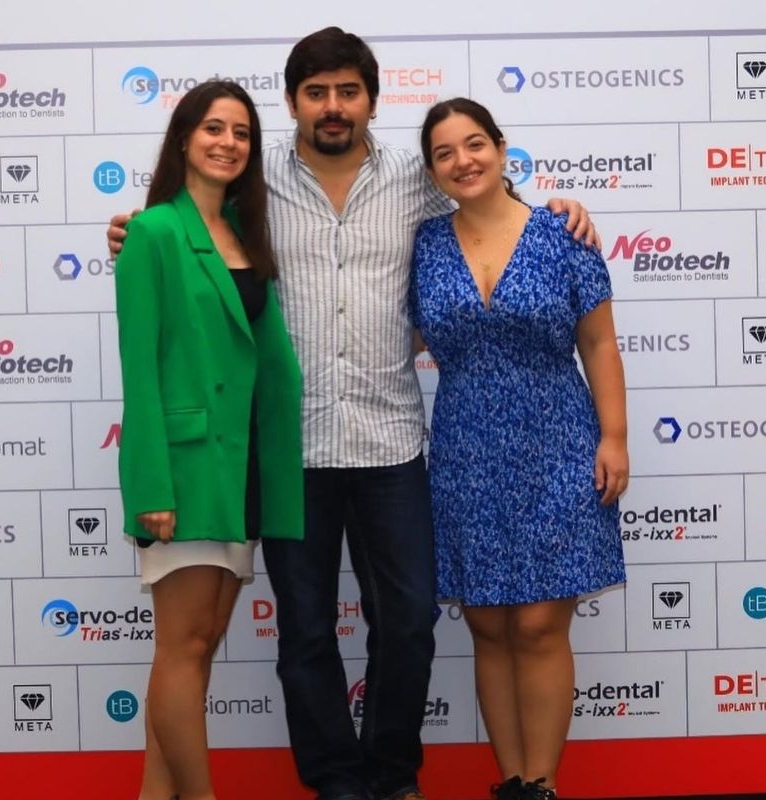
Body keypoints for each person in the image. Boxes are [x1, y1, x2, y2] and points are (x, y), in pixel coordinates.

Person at [109, 28, 598, 800]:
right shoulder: (254, 182)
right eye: (316, 93)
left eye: (347, 91)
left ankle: (393, 775)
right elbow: (185, 230)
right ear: (293, 101)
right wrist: (128, 230)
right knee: (305, 632)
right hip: (289, 449)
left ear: (371, 99)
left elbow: (485, 199)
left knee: (406, 622)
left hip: (390, 441)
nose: (332, 106)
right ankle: (335, 780)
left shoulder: (413, 178)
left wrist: (556, 212)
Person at [410, 97, 628, 800]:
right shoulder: (424, 244)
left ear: (502, 150)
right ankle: (512, 783)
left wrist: (615, 437)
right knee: (486, 621)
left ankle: (543, 782)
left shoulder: (563, 233)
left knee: (537, 623)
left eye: (474, 143)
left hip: (559, 441)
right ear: (432, 172)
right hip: (466, 450)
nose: (462, 160)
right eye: (444, 153)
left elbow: (599, 343)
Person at [114, 79, 304, 800]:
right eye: (214, 128)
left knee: (198, 648)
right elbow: (139, 369)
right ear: (185, 138)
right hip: (185, 475)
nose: (229, 143)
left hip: (242, 468)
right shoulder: (153, 233)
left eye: (242, 133)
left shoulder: (244, 232)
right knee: (184, 648)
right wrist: (150, 485)